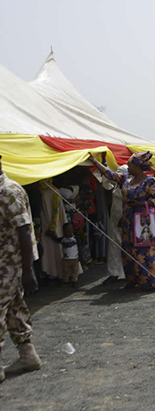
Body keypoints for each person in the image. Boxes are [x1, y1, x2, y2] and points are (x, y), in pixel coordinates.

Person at [90, 152, 155, 290]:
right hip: (127, 219)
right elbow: (109, 174)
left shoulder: (149, 181)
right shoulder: (126, 179)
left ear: (137, 167)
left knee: (144, 250)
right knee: (128, 249)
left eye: (130, 165)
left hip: (142, 221)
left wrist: (142, 205)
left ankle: (149, 280)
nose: (128, 167)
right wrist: (95, 162)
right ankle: (132, 279)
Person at [0, 155, 42, 381]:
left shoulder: (9, 191)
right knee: (15, 308)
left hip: (9, 264)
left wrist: (28, 270)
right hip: (7, 264)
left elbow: (25, 231)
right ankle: (28, 355)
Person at [101, 165, 128, 285]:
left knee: (126, 245)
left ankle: (128, 272)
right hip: (114, 220)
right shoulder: (117, 186)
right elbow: (105, 184)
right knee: (114, 246)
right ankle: (114, 273)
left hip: (124, 220)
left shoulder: (129, 187)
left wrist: (124, 216)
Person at [52, 222, 79, 287]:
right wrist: (52, 235)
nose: (68, 233)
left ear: (73, 230)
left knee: (75, 270)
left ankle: (74, 280)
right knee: (65, 270)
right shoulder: (63, 239)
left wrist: (80, 256)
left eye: (70, 231)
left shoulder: (75, 238)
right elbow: (56, 240)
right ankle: (65, 280)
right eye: (66, 232)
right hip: (66, 259)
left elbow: (80, 246)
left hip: (75, 258)